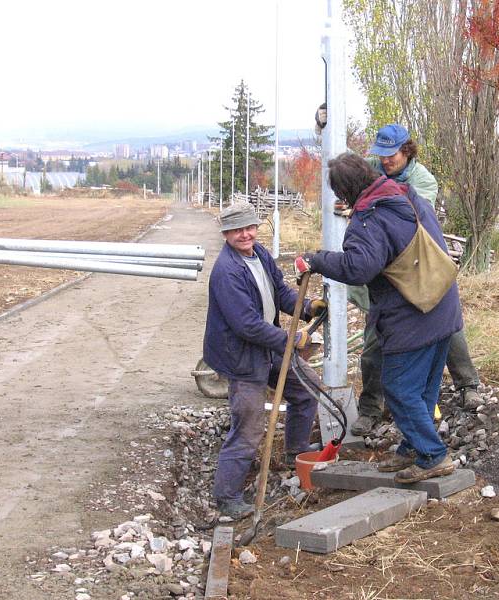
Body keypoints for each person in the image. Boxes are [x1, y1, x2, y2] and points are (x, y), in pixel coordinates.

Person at [295, 152, 462, 483]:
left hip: (412, 315)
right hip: (441, 302)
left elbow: (359, 267)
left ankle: (432, 455)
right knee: (423, 389)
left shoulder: (369, 220)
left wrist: (318, 260)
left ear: (345, 193)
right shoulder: (403, 194)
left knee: (398, 387)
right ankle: (415, 446)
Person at [335, 122, 483, 435]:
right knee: (374, 343)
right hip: (389, 281)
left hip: (421, 268)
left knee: (446, 328)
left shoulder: (421, 181)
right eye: (381, 155)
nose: (385, 160)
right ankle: (371, 408)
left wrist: (361, 211)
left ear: (407, 151)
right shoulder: (373, 172)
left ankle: (468, 384)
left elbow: (409, 217)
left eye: (392, 155)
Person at [203, 202, 325, 519]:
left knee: (307, 387)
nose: (245, 234)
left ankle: (295, 450)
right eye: (237, 230)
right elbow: (246, 325)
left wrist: (309, 305)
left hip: (265, 345)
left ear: (256, 229)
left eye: (249, 227)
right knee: (249, 426)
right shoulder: (227, 272)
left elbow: (282, 294)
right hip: (241, 356)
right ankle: (228, 497)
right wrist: (290, 340)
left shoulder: (260, 255)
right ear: (226, 233)